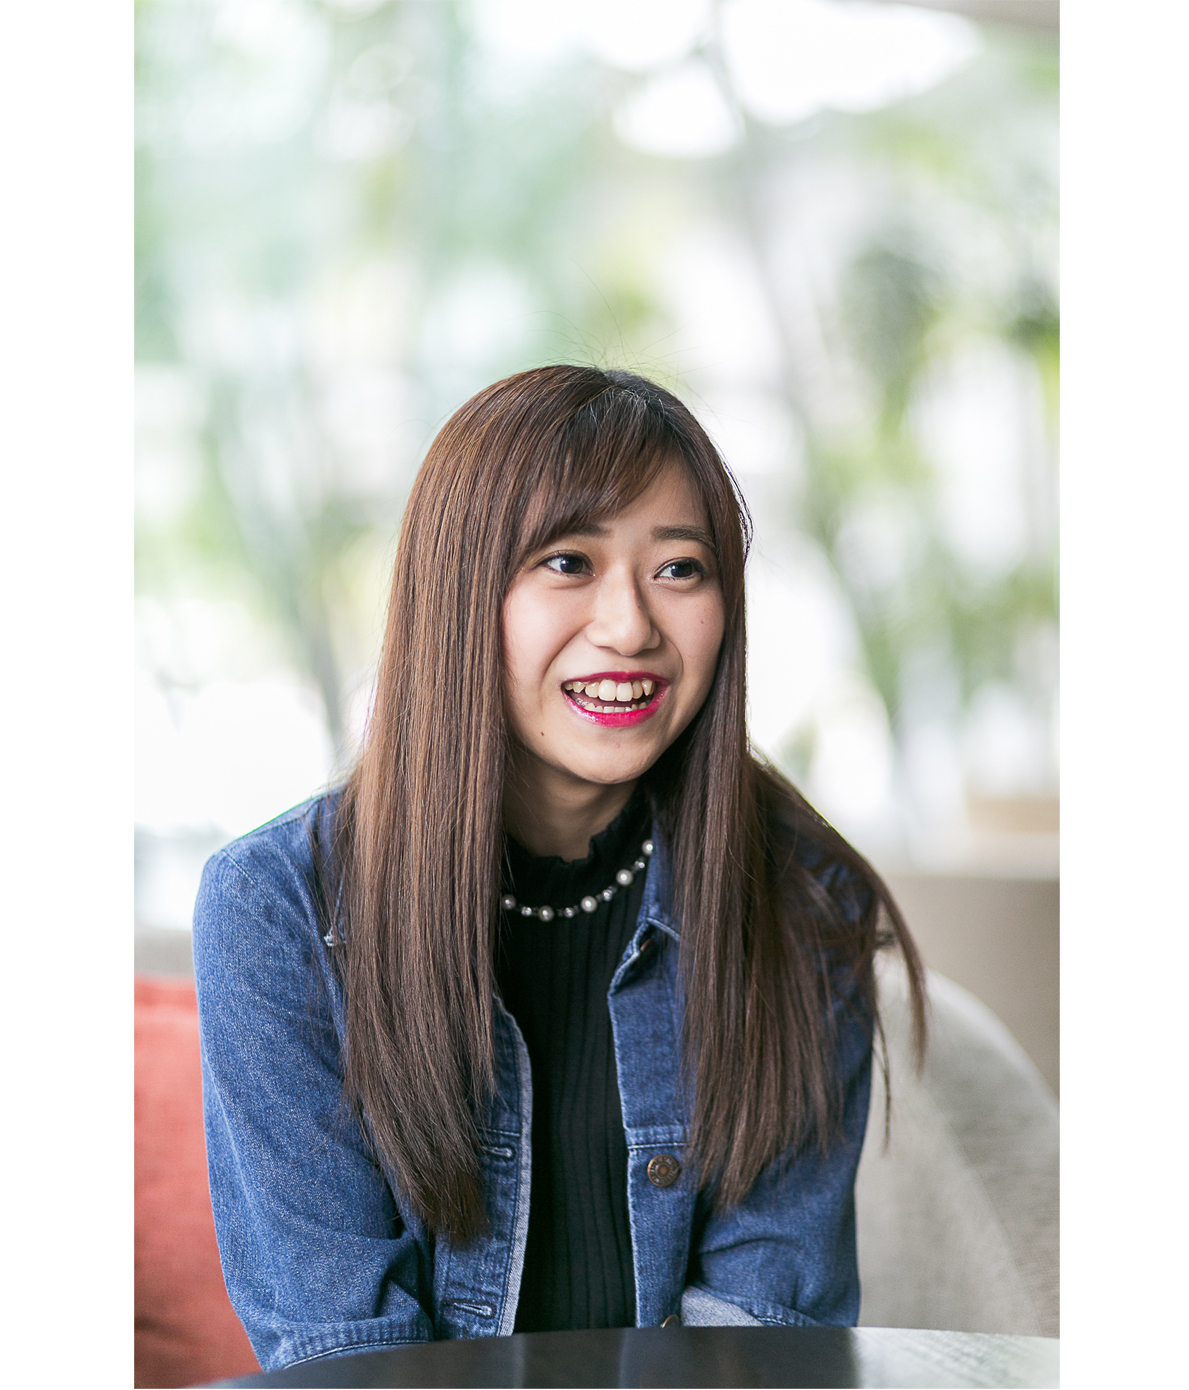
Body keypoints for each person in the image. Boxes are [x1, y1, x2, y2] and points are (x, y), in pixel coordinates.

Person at [193, 364, 927, 1375]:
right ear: (458, 593)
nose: (630, 626)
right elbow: (343, 1356)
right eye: (568, 561)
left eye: (680, 569)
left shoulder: (798, 898)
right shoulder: (278, 909)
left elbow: (763, 1341)